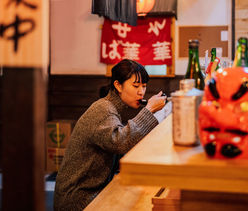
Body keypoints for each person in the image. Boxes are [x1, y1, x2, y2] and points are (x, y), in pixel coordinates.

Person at [53, 59, 168, 211]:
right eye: (135, 86)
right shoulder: (103, 109)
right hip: (78, 198)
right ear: (118, 85)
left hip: (92, 191)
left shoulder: (112, 108)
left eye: (144, 86)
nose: (141, 91)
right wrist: (149, 111)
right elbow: (120, 142)